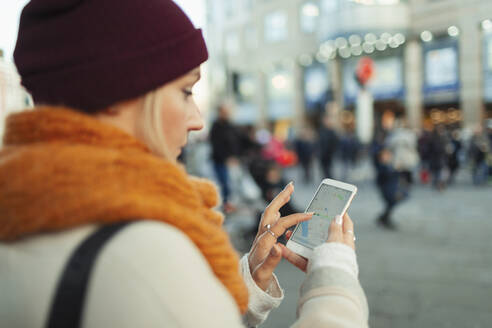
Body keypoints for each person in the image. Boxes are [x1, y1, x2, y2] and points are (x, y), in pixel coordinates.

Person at [0, 1, 368, 327]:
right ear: (116, 92)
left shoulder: (30, 209)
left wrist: (250, 280)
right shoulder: (143, 253)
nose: (197, 120)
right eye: (185, 91)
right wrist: (333, 282)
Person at [209, 104, 240, 213]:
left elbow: (235, 142)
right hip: (220, 161)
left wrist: (235, 156)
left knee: (233, 183)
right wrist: (226, 158)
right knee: (224, 183)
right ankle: (226, 205)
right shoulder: (216, 126)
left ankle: (230, 204)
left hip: (231, 160)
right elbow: (216, 145)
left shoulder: (230, 126)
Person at [318, 114, 339, 179]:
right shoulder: (321, 131)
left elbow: (336, 142)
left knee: (328, 170)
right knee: (323, 170)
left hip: (329, 155)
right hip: (322, 155)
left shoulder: (332, 131)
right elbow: (319, 143)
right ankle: (326, 181)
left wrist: (332, 151)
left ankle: (329, 181)